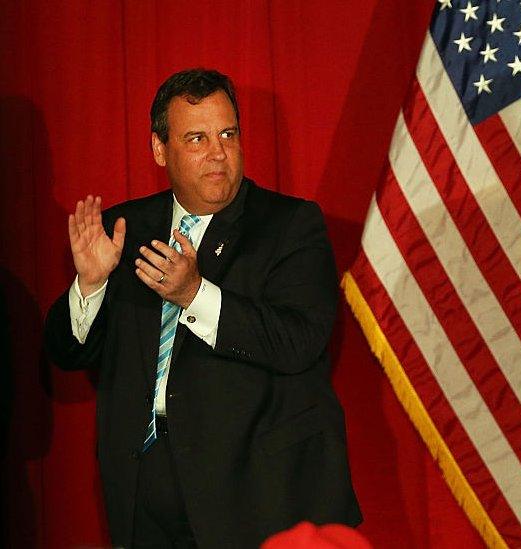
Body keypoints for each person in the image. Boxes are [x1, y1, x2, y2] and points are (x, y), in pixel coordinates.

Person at [44, 69, 361, 547]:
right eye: (196, 138)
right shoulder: (124, 230)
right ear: (159, 149)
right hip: (143, 491)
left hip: (253, 495)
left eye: (227, 134)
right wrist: (90, 284)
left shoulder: (291, 224)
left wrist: (193, 294)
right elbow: (67, 354)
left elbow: (299, 342)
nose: (217, 152)